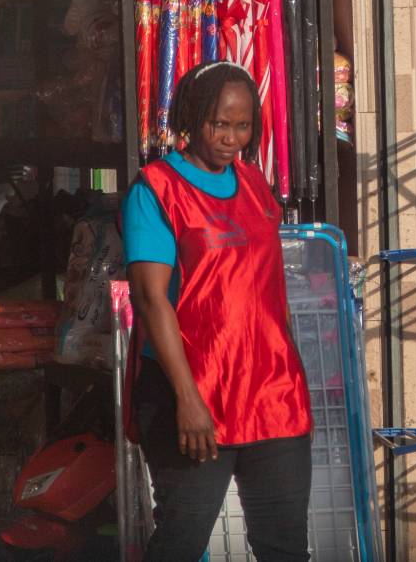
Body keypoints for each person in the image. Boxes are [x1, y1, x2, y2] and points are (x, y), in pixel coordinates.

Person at [122, 62, 312, 561]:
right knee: (181, 545)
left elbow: (269, 291)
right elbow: (150, 299)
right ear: (192, 117)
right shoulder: (156, 190)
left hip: (273, 395)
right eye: (219, 124)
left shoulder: (255, 185)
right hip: (193, 397)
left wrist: (290, 367)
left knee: (286, 547)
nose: (231, 138)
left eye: (243, 125)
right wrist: (187, 399)